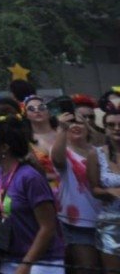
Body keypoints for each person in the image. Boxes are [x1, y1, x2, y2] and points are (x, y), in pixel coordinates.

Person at [0, 113, 65, 274]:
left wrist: (26, 265)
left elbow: (48, 227)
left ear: (5, 147)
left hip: (41, 262)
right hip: (8, 258)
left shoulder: (30, 177)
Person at [50, 109, 103, 274]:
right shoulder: (63, 152)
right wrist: (61, 129)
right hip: (78, 224)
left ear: (88, 127)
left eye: (79, 122)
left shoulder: (100, 152)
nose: (75, 126)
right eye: (70, 123)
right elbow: (57, 161)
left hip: (106, 221)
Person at [89, 104, 120, 273]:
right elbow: (94, 189)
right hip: (110, 223)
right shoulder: (96, 154)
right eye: (111, 125)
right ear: (105, 128)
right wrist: (109, 191)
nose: (116, 128)